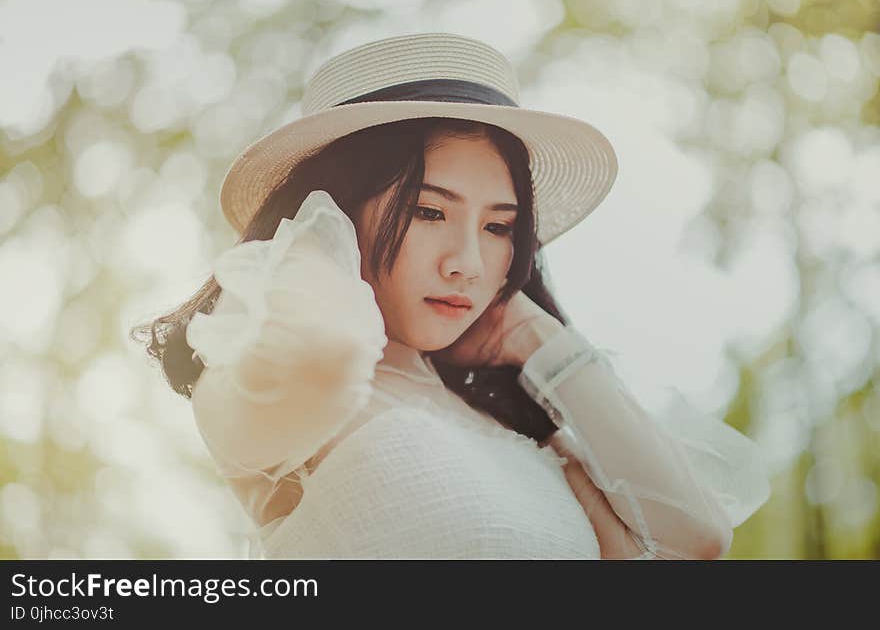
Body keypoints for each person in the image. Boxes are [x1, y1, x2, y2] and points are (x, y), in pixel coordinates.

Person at [132, 33, 771, 559]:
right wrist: (316, 246)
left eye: (498, 228)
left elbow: (696, 539)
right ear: (338, 209)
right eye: (428, 212)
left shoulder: (512, 431)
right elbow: (323, 347)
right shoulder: (275, 386)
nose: (467, 263)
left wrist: (539, 339)